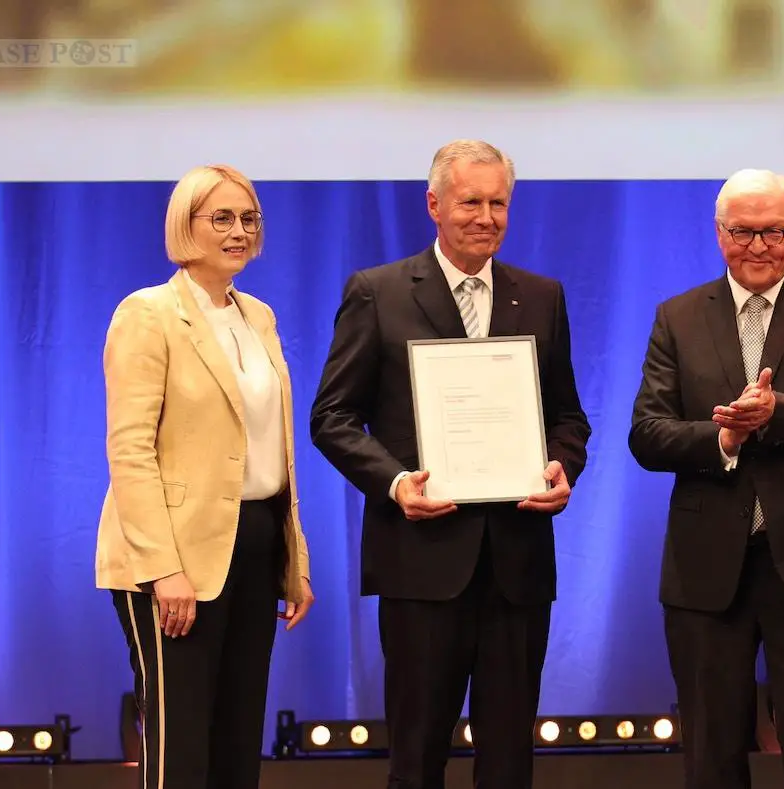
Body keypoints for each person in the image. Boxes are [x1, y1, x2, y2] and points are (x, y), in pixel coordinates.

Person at [310, 139, 590, 789]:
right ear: (434, 204)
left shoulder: (541, 296)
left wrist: (560, 466)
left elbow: (569, 417)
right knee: (416, 760)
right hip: (421, 563)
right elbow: (332, 417)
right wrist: (395, 482)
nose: (486, 217)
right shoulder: (377, 293)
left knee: (509, 764)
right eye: (470, 202)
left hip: (517, 566)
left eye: (499, 203)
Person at [628, 169, 784, 789]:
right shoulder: (678, 316)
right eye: (744, 232)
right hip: (707, 571)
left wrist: (777, 413)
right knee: (710, 761)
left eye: (774, 232)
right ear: (719, 234)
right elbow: (647, 434)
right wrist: (724, 439)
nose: (759, 246)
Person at [95, 164, 315, 789]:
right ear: (184, 224)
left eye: (249, 218)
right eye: (222, 218)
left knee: (237, 743)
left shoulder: (258, 316)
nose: (239, 231)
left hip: (255, 541)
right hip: (173, 556)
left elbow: (271, 451)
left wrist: (293, 559)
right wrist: (163, 568)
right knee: (182, 747)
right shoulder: (148, 314)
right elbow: (130, 450)